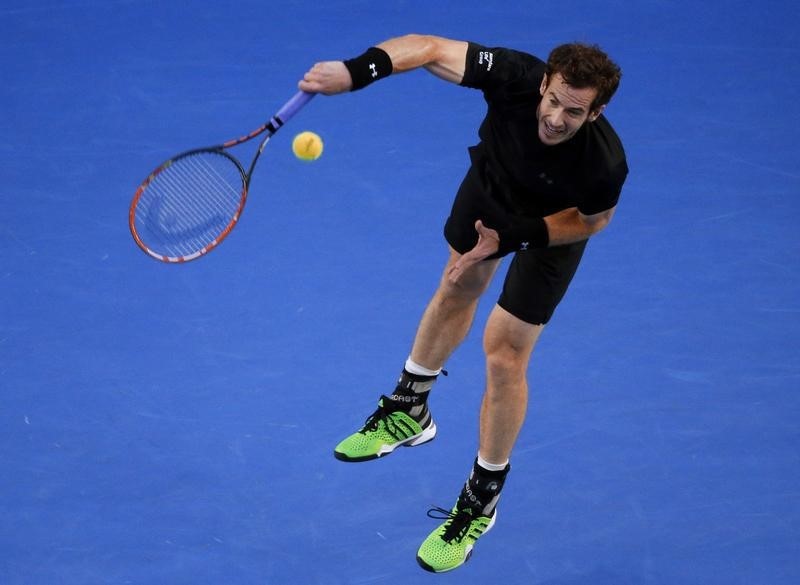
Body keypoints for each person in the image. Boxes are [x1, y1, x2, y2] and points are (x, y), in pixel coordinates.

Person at [299, 34, 627, 573]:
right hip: (491, 192)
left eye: (574, 112)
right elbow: (427, 48)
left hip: (549, 228)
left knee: (504, 353)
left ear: (596, 112)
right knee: (456, 286)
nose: (555, 118)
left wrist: (517, 235)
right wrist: (358, 72)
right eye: (552, 100)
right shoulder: (516, 75)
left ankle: (482, 497)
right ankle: (409, 410)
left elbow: (593, 222)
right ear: (543, 83)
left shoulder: (604, 163)